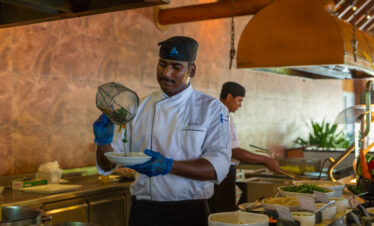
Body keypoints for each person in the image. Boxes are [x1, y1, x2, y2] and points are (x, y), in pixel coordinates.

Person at [93, 36, 231, 226]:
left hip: (190, 214)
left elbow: (218, 167)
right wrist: (102, 142)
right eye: (162, 64)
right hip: (144, 214)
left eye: (176, 67)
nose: (166, 73)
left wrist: (168, 166)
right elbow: (108, 165)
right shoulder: (138, 107)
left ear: (192, 70)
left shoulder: (212, 109)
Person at [209, 81, 280, 213]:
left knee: (217, 211)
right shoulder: (221, 115)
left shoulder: (218, 113)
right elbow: (234, 151)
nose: (240, 105)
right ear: (229, 97)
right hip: (221, 172)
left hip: (217, 171)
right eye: (239, 100)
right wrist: (265, 160)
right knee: (223, 213)